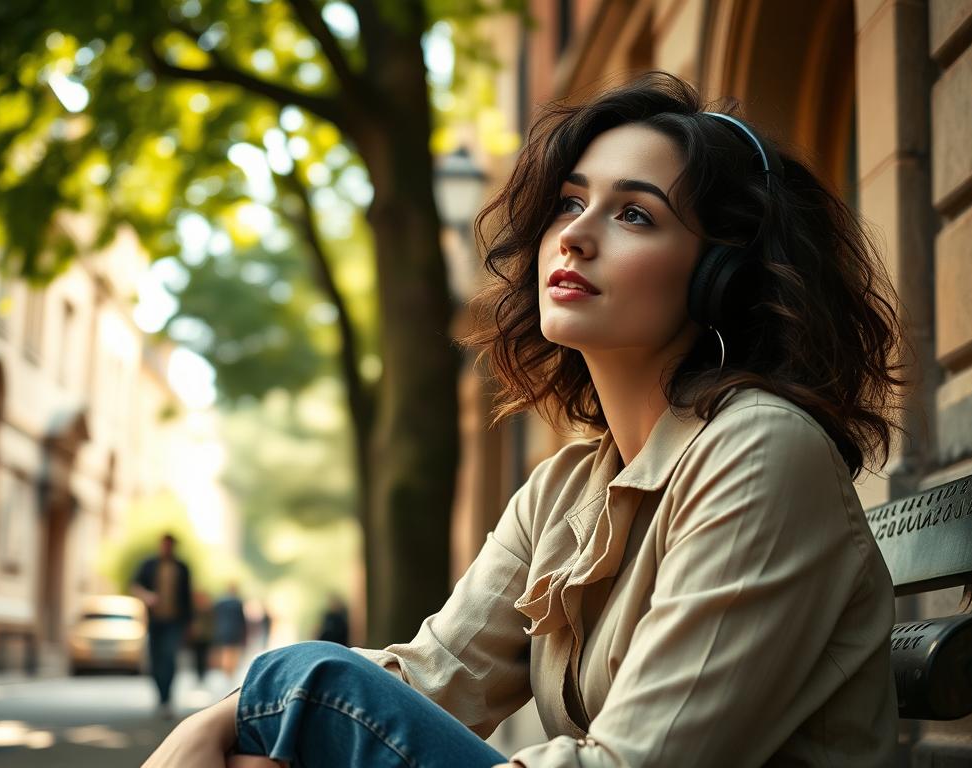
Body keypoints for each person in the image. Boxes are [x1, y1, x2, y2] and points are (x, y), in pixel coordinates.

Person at [143, 71, 905, 768]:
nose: (574, 234)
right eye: (572, 202)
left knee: (302, 679)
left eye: (636, 214)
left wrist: (275, 693)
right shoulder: (567, 487)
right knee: (292, 688)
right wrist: (220, 715)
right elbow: (433, 679)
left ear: (718, 276)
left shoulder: (762, 451)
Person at [131, 532, 193, 720]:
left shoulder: (181, 568)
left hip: (174, 621)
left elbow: (187, 596)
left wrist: (190, 623)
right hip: (154, 620)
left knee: (169, 658)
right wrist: (147, 596)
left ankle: (167, 699)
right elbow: (134, 585)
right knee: (155, 660)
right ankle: (160, 697)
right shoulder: (149, 565)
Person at [213, 583, 248, 680]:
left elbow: (215, 617)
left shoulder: (220, 602)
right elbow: (242, 619)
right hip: (235, 630)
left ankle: (227, 672)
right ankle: (231, 671)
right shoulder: (238, 603)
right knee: (233, 652)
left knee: (226, 651)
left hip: (223, 630)